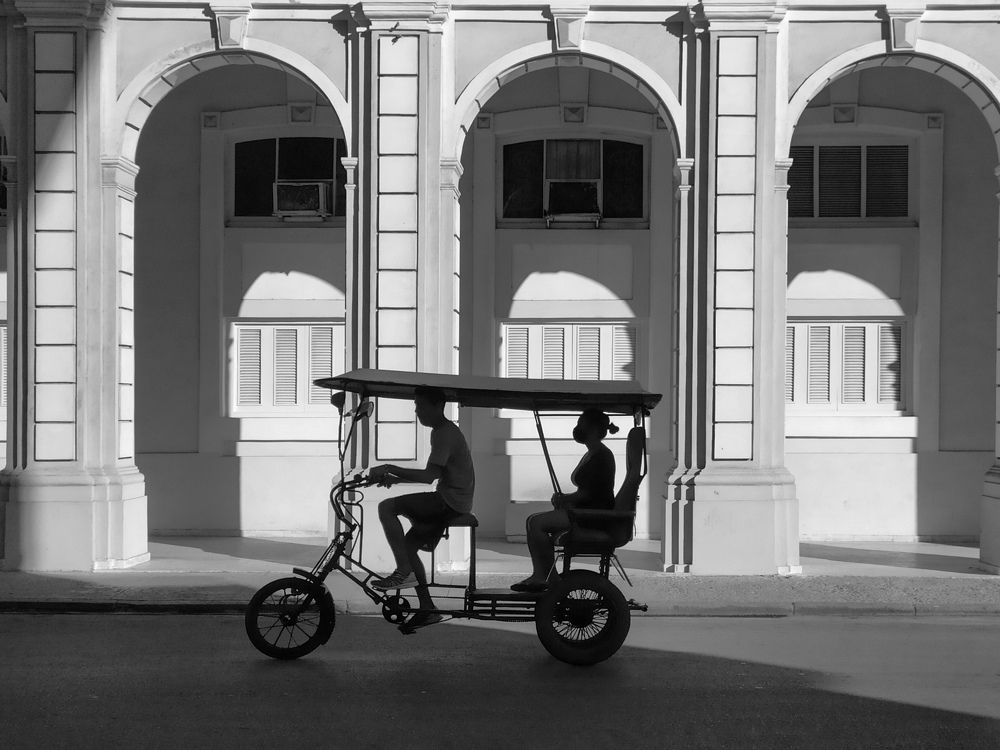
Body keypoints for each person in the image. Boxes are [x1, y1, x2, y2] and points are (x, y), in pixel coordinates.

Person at [367, 386, 475, 628]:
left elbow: (428, 477)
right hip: (450, 499)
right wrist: (396, 479)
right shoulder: (442, 431)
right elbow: (433, 474)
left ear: (438, 406)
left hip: (450, 502)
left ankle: (403, 571)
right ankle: (427, 607)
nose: (417, 411)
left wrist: (388, 467)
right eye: (416, 406)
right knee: (407, 546)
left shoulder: (444, 433)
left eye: (421, 406)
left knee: (386, 508)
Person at [511, 409, 618, 592]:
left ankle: (542, 576)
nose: (577, 428)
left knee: (536, 523)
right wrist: (566, 500)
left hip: (591, 517)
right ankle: (545, 574)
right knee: (532, 520)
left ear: (592, 428)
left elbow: (590, 493)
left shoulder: (601, 456)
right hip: (584, 511)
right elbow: (586, 491)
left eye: (581, 424)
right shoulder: (593, 453)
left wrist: (566, 499)